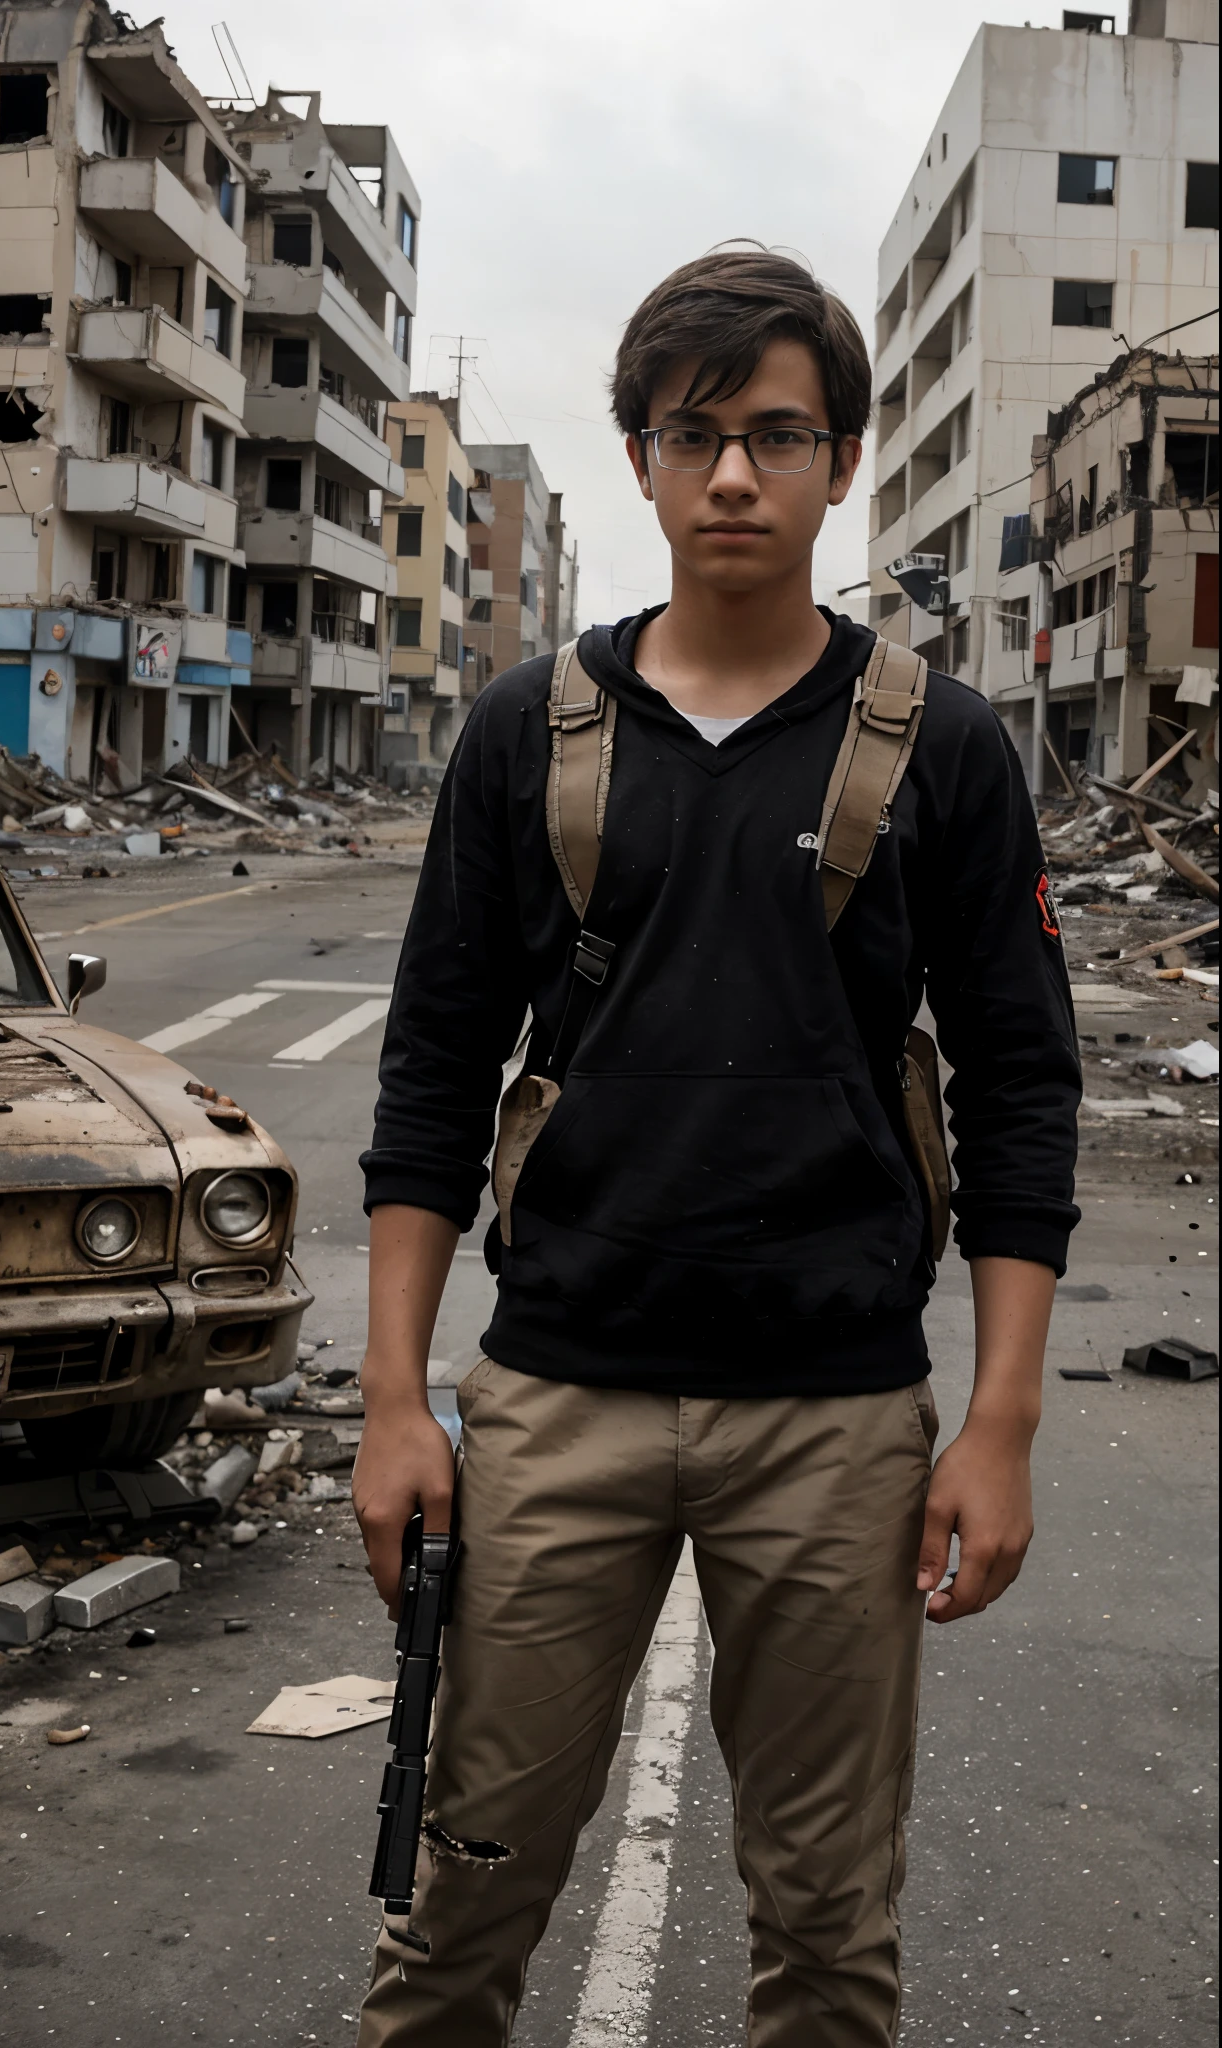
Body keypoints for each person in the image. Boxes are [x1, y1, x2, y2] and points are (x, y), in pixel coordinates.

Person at [352, 247, 1080, 2045]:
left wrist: (997, 1423)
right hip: (556, 1404)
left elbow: (1022, 1091)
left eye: (776, 434)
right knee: (459, 1913)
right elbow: (434, 1073)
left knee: (830, 1943)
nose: (735, 476)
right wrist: (390, 1404)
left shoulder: (951, 751)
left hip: (834, 1421)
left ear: (842, 462)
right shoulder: (529, 731)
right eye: (694, 436)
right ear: (643, 459)